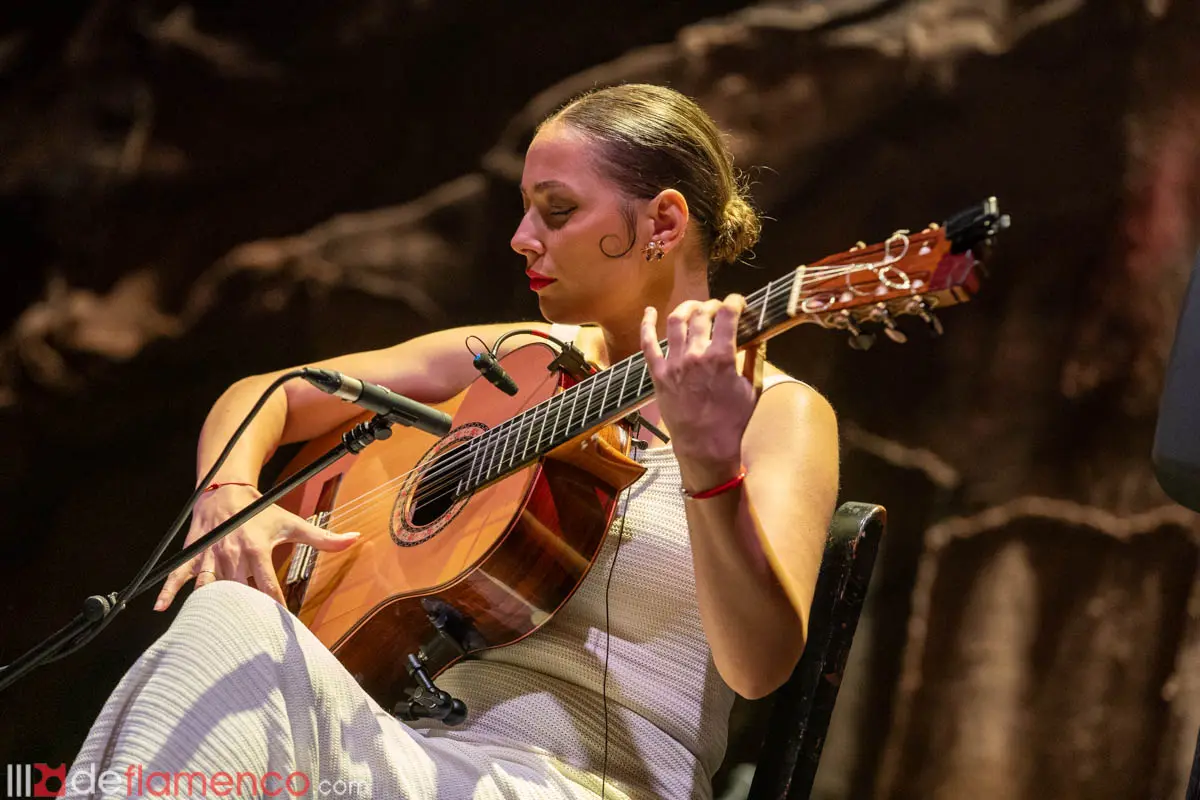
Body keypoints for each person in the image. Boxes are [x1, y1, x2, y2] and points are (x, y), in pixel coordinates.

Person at [65, 83, 839, 800]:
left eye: (557, 210)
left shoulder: (778, 414)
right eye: (524, 210)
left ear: (663, 224)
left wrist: (706, 459)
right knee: (228, 621)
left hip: (582, 784)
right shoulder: (523, 356)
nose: (520, 238)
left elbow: (761, 664)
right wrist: (230, 494)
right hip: (400, 748)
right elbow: (272, 394)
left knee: (225, 642)